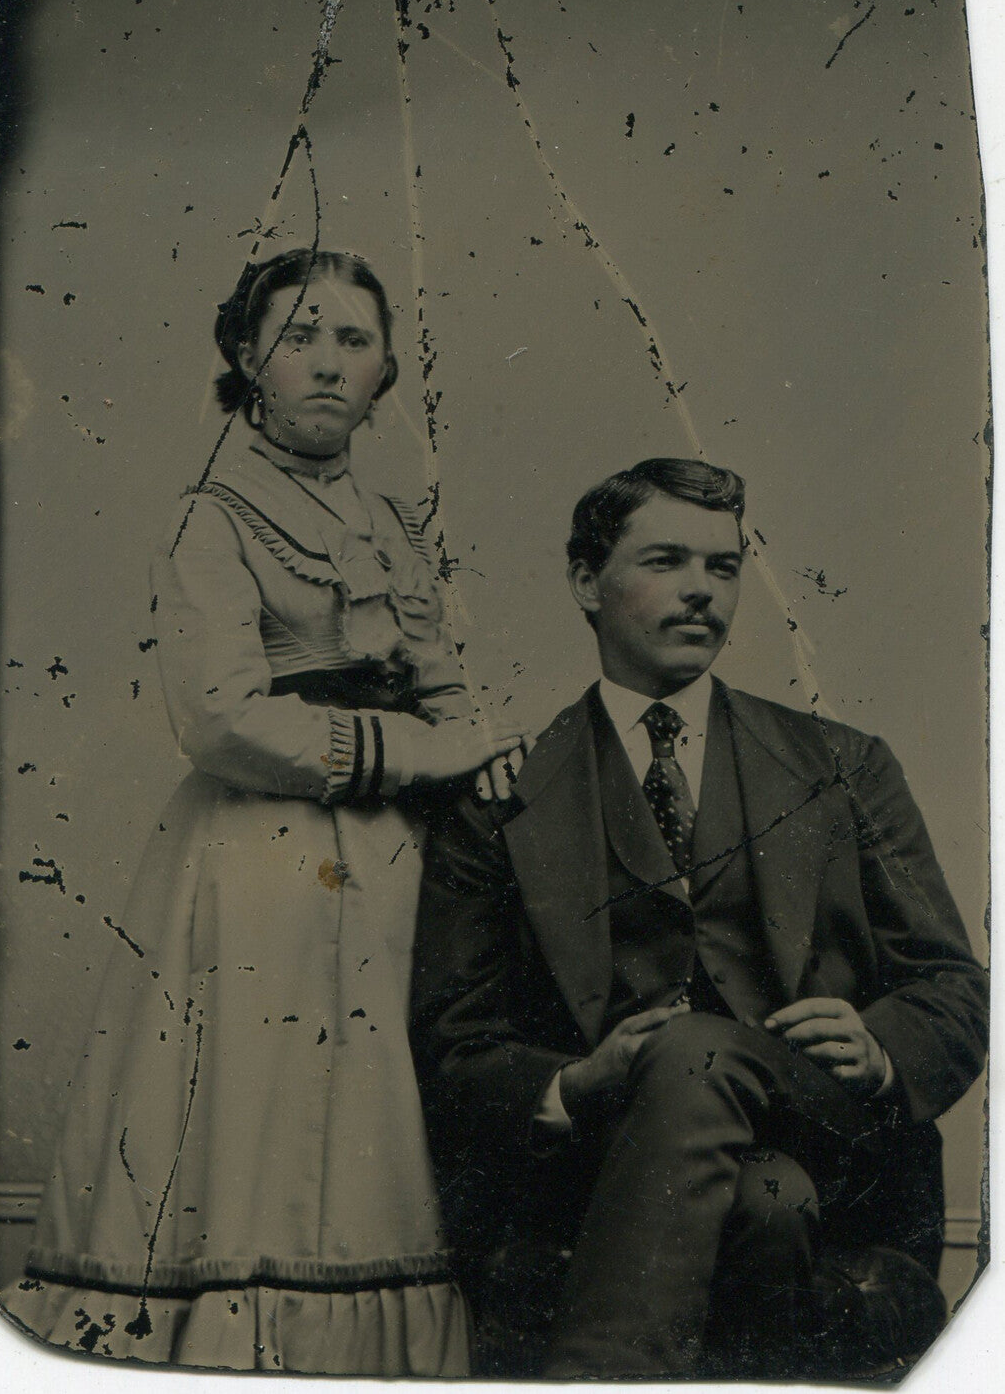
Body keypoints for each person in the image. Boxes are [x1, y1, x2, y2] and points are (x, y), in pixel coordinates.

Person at [1, 249, 525, 1375]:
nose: (328, 364)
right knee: (262, 1108)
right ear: (248, 360)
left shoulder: (390, 522)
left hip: (399, 857)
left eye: (353, 340)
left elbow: (442, 675)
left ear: (387, 368)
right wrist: (430, 749)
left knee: (381, 1096)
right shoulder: (214, 518)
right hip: (261, 853)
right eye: (300, 337)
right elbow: (225, 718)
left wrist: (482, 749)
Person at [411, 457, 988, 1379]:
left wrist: (879, 1045)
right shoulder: (504, 798)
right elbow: (455, 1045)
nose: (701, 592)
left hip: (828, 1134)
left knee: (693, 1050)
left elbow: (956, 989)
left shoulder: (843, 765)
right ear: (584, 582)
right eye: (667, 561)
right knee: (763, 1202)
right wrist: (579, 1077)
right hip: (611, 1174)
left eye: (723, 567)